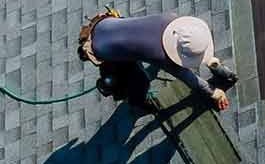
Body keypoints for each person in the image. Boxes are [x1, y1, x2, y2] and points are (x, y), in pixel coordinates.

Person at [78, 8, 238, 110]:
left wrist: (208, 60)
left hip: (105, 24)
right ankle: (138, 102)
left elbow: (162, 39)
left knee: (140, 48)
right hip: (101, 50)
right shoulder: (162, 56)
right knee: (141, 81)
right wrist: (213, 92)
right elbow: (190, 79)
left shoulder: (170, 19)